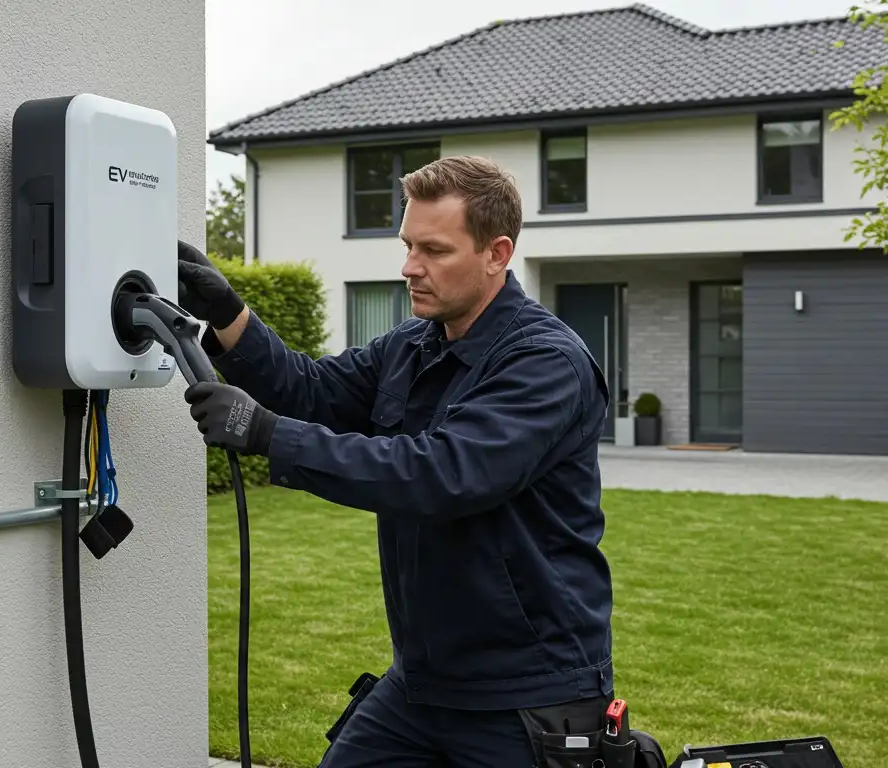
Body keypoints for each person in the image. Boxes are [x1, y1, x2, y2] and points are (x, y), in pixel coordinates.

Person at [177, 155, 615, 767]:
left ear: (497, 253)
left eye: (434, 250)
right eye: (409, 245)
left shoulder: (545, 362)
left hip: (527, 692)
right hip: (421, 684)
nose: (410, 267)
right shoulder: (411, 345)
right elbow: (312, 391)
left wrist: (266, 433)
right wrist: (228, 314)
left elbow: (443, 474)